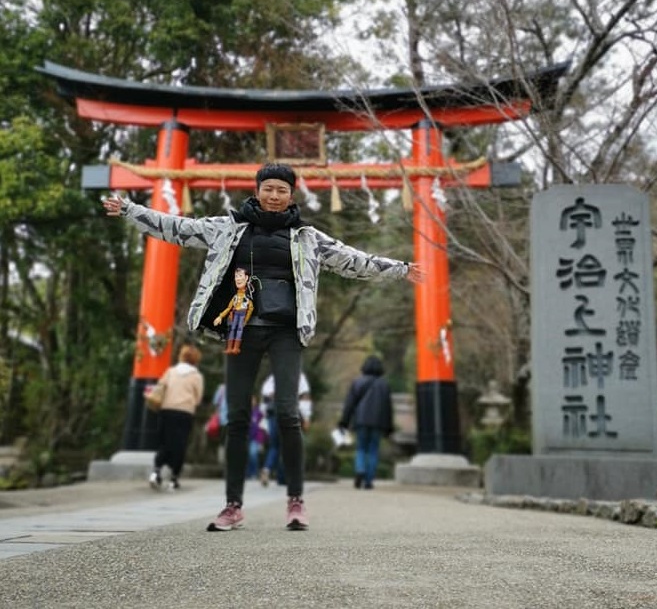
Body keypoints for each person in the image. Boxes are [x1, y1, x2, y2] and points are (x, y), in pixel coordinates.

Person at [103, 162, 424, 532]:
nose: (274, 196)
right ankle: (233, 506)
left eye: (282, 190)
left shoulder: (308, 237)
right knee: (236, 417)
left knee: (288, 414)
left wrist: (400, 268)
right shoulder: (228, 229)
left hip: (286, 330)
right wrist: (131, 210)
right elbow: (177, 228)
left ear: (292, 194)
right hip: (241, 330)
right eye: (268, 188)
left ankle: (296, 501)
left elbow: (353, 260)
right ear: (257, 190)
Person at [148, 342, 204, 491]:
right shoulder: (196, 376)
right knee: (179, 443)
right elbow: (198, 398)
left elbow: (160, 386)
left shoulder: (171, 371)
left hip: (167, 409)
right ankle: (174, 477)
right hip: (184, 412)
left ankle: (156, 471)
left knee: (165, 441)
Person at [338, 355, 394, 490]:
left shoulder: (357, 382)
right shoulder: (384, 384)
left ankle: (360, 470)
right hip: (378, 423)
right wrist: (389, 427)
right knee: (373, 450)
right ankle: (368, 481)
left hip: (361, 421)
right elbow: (388, 407)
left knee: (361, 448)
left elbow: (349, 404)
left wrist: (344, 421)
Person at [259, 372, 312, 487]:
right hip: (290, 413)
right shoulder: (299, 375)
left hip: (274, 413)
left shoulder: (273, 376)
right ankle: (283, 476)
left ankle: (267, 469)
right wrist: (306, 417)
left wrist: (264, 414)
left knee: (274, 445)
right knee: (289, 445)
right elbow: (304, 397)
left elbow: (265, 395)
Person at [246, 396, 267, 479]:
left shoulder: (258, 412)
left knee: (253, 454)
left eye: (253, 400)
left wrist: (261, 440)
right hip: (247, 438)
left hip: (256, 438)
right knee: (247, 455)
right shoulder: (245, 412)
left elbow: (262, 426)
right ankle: (248, 472)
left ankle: (254, 472)